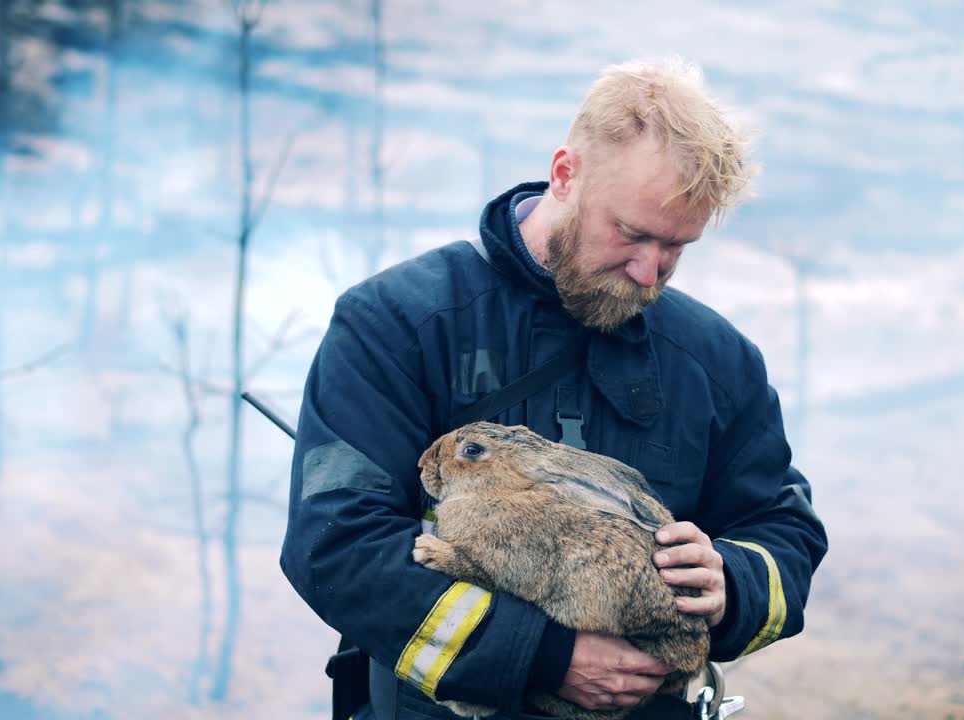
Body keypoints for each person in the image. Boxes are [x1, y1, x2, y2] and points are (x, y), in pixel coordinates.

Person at [280, 58, 828, 720]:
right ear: (566, 174)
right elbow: (335, 546)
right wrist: (542, 655)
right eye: (631, 233)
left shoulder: (717, 361)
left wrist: (731, 583)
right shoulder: (398, 323)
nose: (650, 271)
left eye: (677, 247)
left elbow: (784, 532)